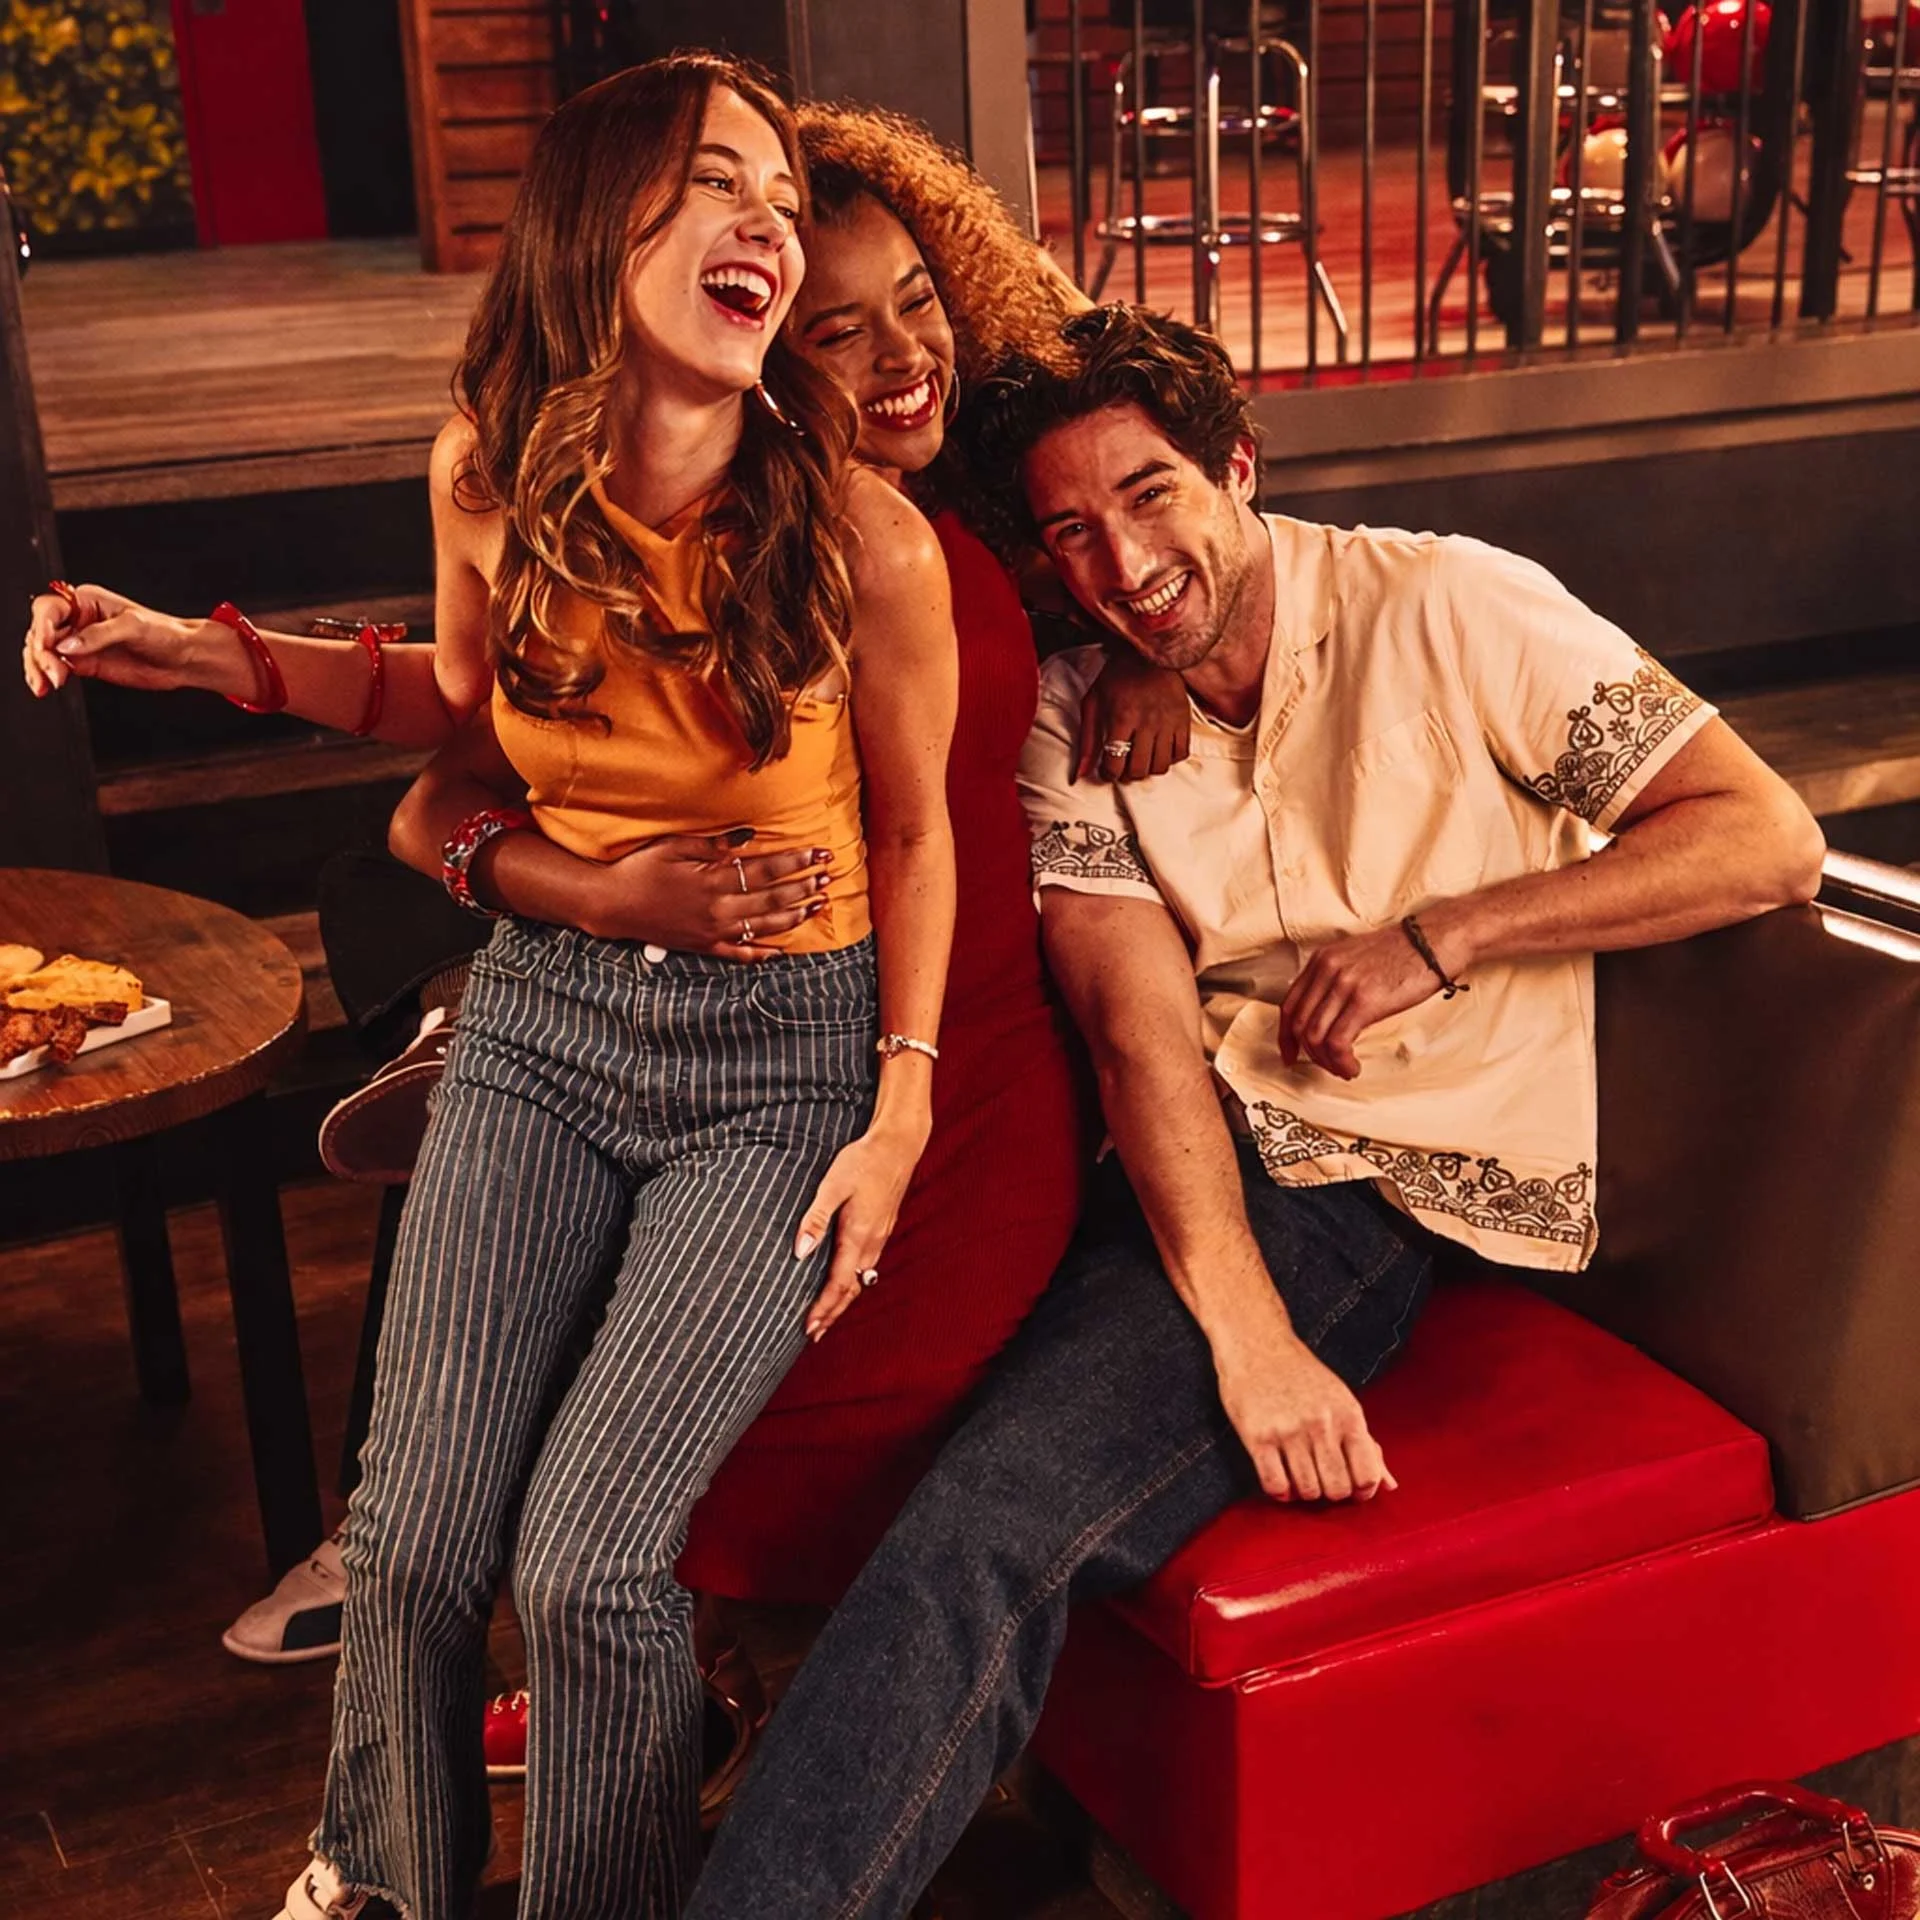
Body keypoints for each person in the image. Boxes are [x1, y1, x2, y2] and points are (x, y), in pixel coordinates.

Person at [682, 303, 1827, 1919]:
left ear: (1238, 464)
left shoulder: (1454, 602)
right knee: (763, 1370)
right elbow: (1136, 1022)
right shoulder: (1081, 707)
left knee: (985, 1534)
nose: (1121, 562)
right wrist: (1230, 1312)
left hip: (1356, 1180)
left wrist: (1446, 938)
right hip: (1142, 1150)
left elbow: (1764, 838)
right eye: (1071, 532)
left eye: (1151, 496)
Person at [294, 54, 960, 1920]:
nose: (766, 218)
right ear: (602, 229)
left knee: (588, 1565)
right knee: (415, 1549)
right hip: (542, 1020)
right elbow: (448, 729)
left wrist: (898, 1114)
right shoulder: (486, 471)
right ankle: (390, 1887)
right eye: (715, 184)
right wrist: (221, 660)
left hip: (782, 1063)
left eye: (778, 191)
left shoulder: (867, 542)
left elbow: (920, 841)